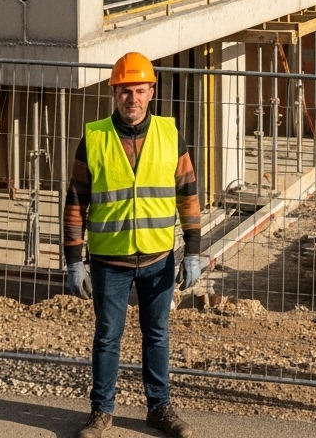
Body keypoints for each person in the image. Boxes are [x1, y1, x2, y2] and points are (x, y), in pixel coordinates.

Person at [64, 52, 202, 438]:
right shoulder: (94, 138)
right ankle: (100, 412)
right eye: (125, 91)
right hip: (109, 260)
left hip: (158, 258)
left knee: (156, 335)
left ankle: (159, 409)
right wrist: (74, 259)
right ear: (114, 94)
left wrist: (193, 251)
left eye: (139, 91)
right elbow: (76, 200)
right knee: (108, 336)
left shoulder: (170, 135)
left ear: (151, 92)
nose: (133, 99)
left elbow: (188, 195)